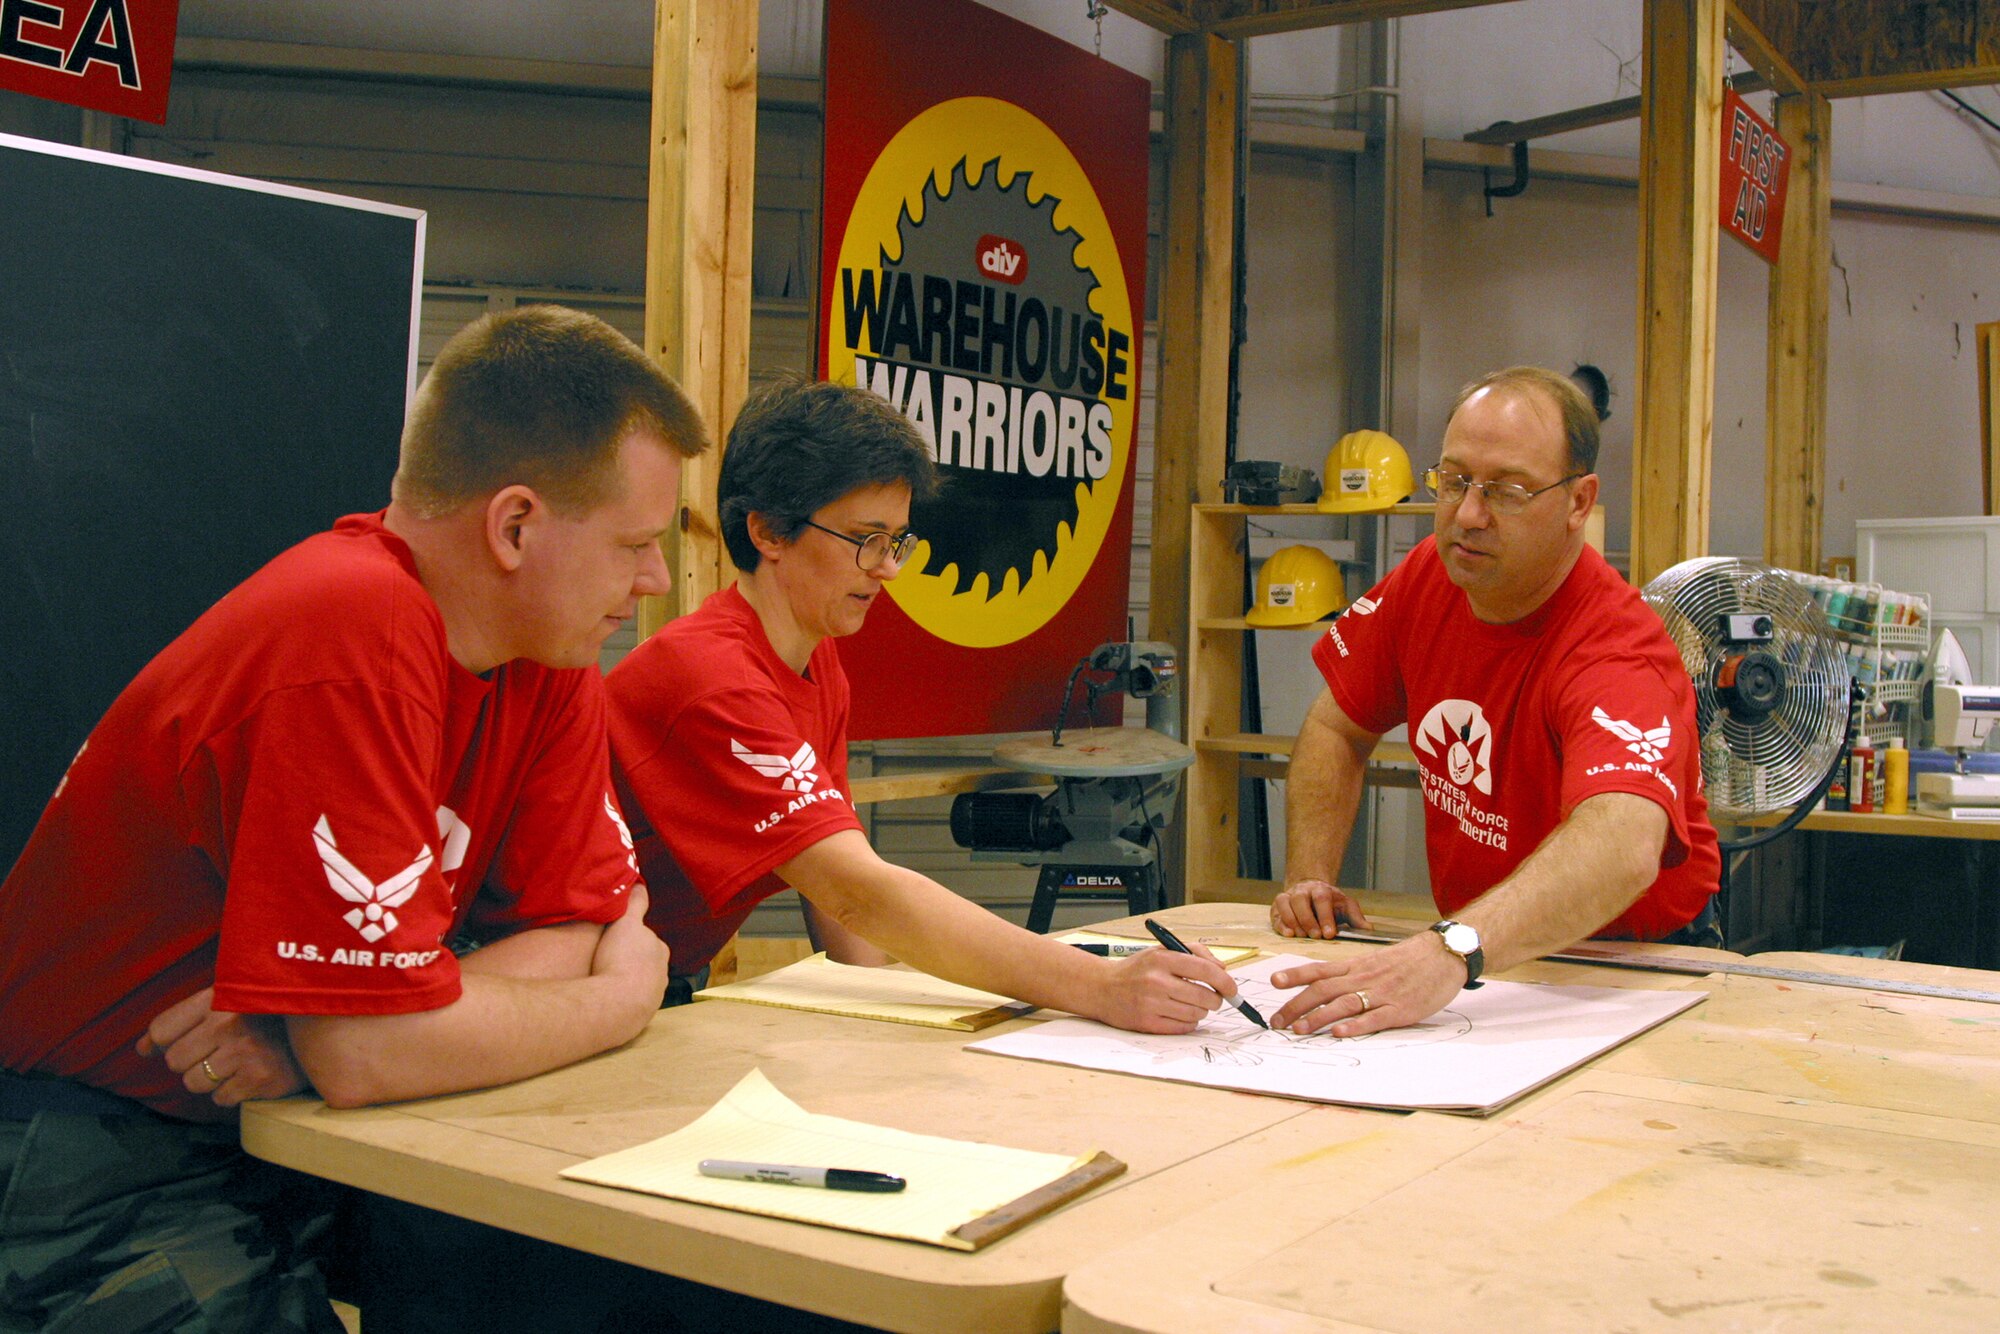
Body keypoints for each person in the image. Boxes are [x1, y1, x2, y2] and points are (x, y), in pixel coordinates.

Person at [0, 305, 702, 1332]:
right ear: (514, 526)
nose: (653, 581)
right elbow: (381, 1052)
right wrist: (620, 1000)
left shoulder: (543, 657)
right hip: (87, 1156)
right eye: (636, 544)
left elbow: (572, 927)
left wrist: (328, 1030)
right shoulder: (350, 622)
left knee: (620, 1284)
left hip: (289, 1122)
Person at [606, 376, 1239, 1033]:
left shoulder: (815, 658)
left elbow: (834, 882)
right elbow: (858, 895)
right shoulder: (714, 679)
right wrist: (1100, 986)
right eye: (865, 539)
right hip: (589, 983)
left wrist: (881, 1017)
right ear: (767, 530)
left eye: (897, 542)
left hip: (661, 974)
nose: (888, 570)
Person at [1265, 366, 1721, 1037]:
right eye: (1453, 481)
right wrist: (1309, 882)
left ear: (1577, 501)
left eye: (1506, 491)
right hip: (1479, 954)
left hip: (1629, 968)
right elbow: (1338, 724)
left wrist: (1450, 950)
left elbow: (1622, 843)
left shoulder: (1614, 648)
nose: (1468, 516)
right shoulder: (1430, 576)